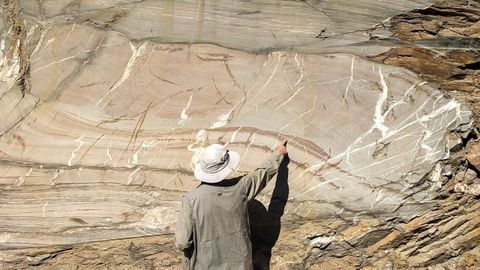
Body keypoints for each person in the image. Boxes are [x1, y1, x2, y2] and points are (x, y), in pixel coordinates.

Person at [175, 140, 288, 269]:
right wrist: (279, 153)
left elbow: (183, 242)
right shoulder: (240, 188)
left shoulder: (191, 200)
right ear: (226, 166)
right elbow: (262, 173)